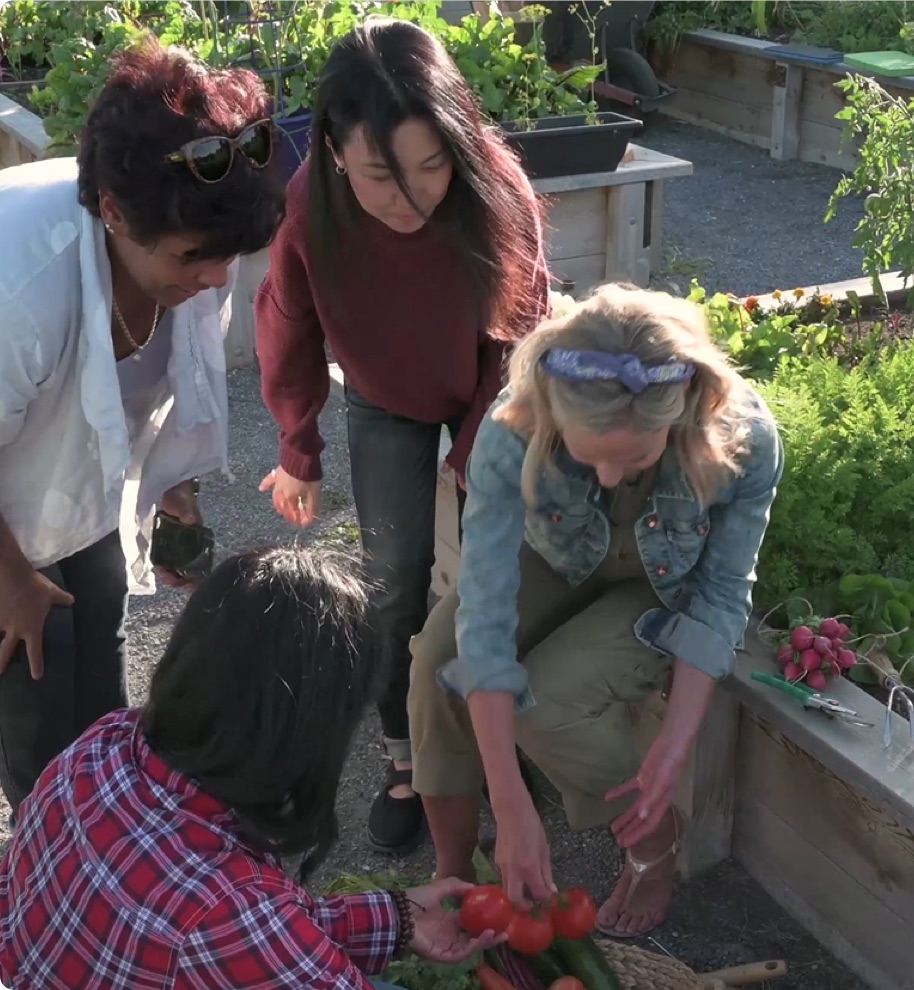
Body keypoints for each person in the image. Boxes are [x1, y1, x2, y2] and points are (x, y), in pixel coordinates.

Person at [255, 15, 549, 856]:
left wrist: (474, 455)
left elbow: (521, 333)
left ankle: (500, 739)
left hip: (486, 392)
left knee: (494, 573)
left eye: (432, 167)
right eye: (382, 175)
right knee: (394, 583)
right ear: (335, 151)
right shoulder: (312, 205)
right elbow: (288, 323)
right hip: (383, 397)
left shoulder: (497, 190)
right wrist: (296, 445)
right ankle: (406, 758)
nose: (414, 197)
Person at [407, 283, 785, 938]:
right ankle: (457, 871)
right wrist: (510, 801)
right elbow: (486, 611)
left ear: (682, 416)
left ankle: (653, 842)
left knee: (549, 704)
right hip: (555, 554)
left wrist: (673, 746)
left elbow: (722, 594)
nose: (609, 478)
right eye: (588, 456)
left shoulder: (744, 440)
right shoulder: (512, 426)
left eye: (635, 457)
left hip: (660, 585)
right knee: (436, 665)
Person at [0, 37, 285, 826]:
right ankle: (47, 872)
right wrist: (13, 583)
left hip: (60, 474)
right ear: (115, 214)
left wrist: (174, 489)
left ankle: (108, 842)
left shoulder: (187, 235)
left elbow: (159, 383)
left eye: (232, 255)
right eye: (199, 258)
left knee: (100, 657)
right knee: (35, 682)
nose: (219, 278)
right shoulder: (18, 288)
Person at [0, 546, 503, 989]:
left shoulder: (104, 742)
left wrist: (400, 919)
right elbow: (237, 933)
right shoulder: (229, 908)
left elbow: (233, 939)